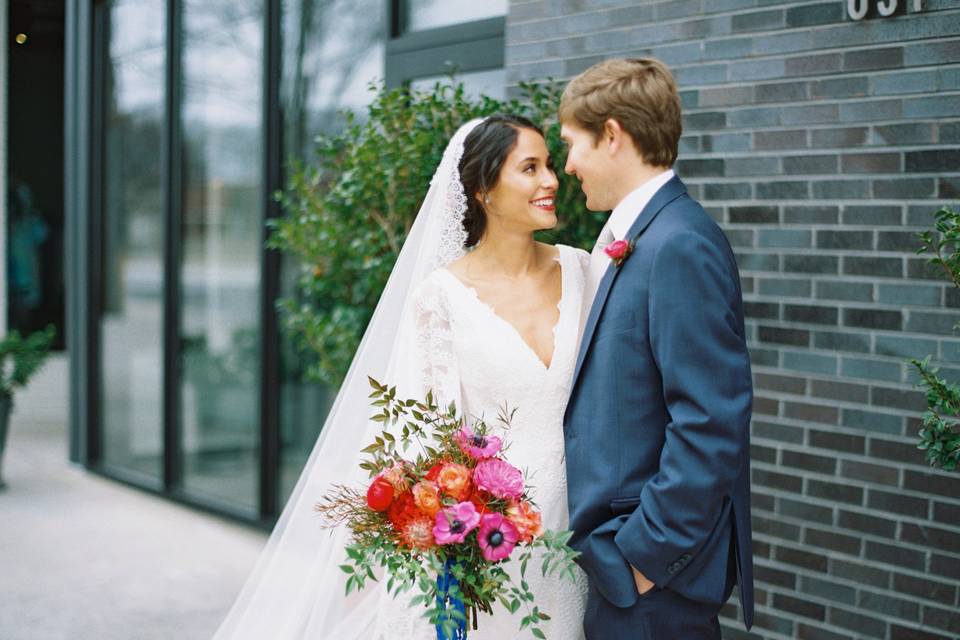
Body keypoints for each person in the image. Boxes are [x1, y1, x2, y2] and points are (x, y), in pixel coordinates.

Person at [213, 115, 588, 639]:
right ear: (482, 189)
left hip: (584, 526)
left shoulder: (583, 271)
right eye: (531, 168)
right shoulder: (442, 297)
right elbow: (424, 438)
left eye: (549, 164)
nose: (552, 180)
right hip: (494, 542)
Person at [559, 58, 755, 639]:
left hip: (652, 585)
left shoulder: (679, 244)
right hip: (625, 576)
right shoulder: (640, 237)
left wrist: (642, 559)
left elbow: (712, 419)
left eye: (573, 145)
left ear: (613, 135)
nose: (568, 166)